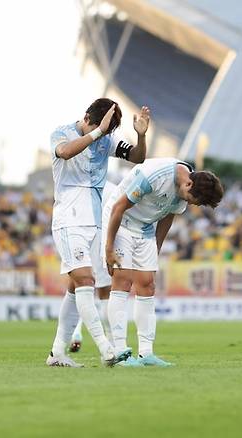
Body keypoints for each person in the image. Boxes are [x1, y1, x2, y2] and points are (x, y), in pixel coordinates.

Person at [46, 97, 150, 367]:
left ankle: (57, 351)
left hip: (93, 220)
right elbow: (66, 152)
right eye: (102, 128)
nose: (106, 134)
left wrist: (140, 137)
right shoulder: (61, 133)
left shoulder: (107, 140)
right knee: (84, 280)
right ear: (87, 117)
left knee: (75, 286)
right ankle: (106, 349)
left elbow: (137, 158)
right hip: (68, 218)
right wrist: (98, 132)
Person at [103, 158, 223, 367]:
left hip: (145, 227)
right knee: (123, 281)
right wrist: (108, 248)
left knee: (147, 284)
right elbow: (118, 207)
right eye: (192, 199)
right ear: (188, 184)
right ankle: (120, 352)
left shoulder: (188, 188)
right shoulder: (154, 177)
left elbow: (168, 216)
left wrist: (155, 249)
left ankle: (146, 353)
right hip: (120, 220)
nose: (191, 203)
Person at [69, 180, 117, 352]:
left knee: (78, 288)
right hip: (102, 241)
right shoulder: (111, 189)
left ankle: (74, 334)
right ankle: (111, 342)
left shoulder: (74, 186)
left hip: (77, 238)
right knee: (105, 293)